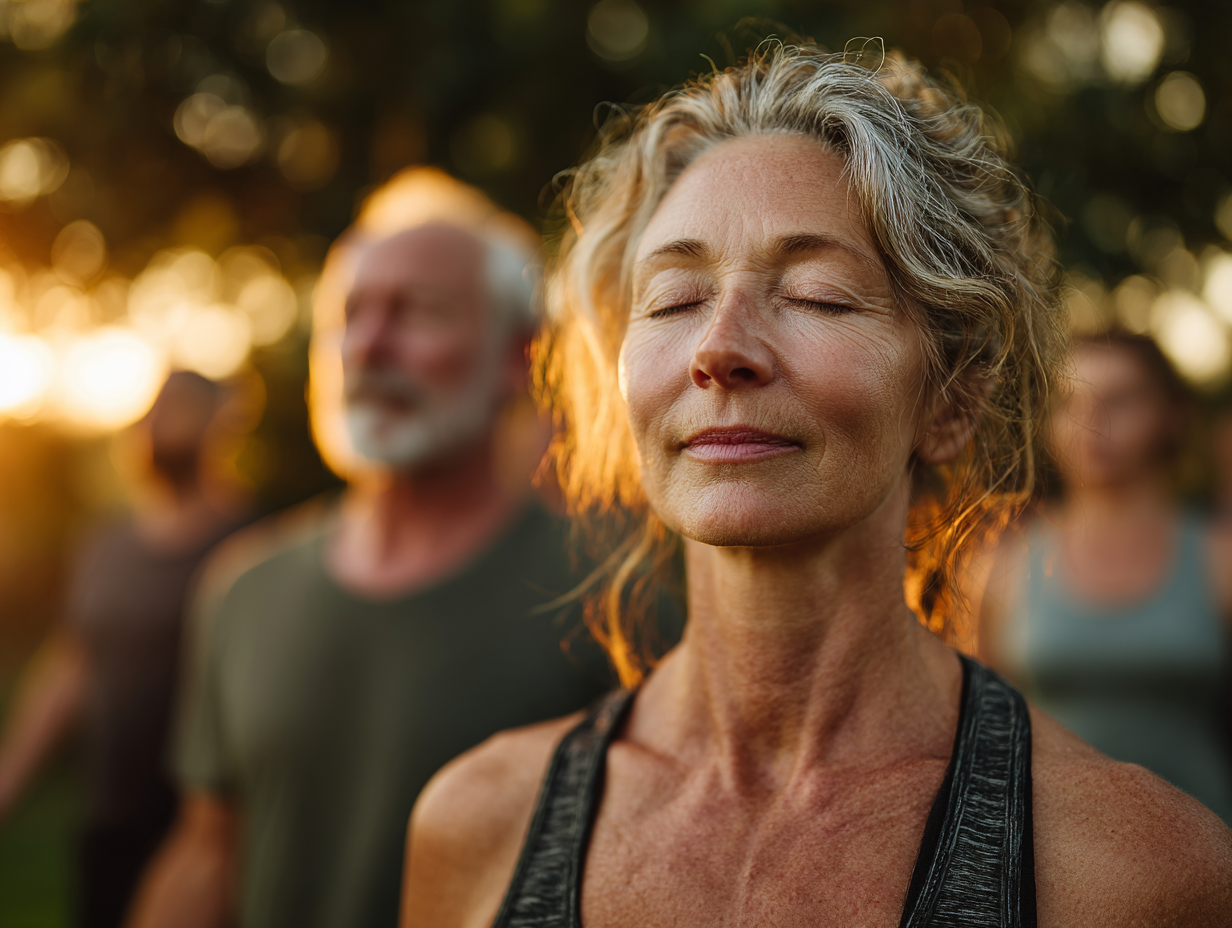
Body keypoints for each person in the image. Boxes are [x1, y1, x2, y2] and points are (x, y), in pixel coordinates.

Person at [401, 45, 1232, 928]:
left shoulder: (1134, 874)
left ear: (949, 403)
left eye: (819, 295)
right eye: (675, 298)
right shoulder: (479, 823)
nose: (718, 349)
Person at [127, 169, 625, 928]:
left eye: (415, 312)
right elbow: (207, 853)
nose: (367, 345)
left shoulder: (613, 592)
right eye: (349, 316)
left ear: (515, 360)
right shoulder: (242, 588)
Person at [0, 370, 252, 928]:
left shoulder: (252, 550)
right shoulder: (105, 547)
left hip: (207, 836)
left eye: (177, 407)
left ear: (221, 423)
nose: (155, 422)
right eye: (151, 410)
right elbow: (71, 667)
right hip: (108, 827)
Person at [973, 331, 1232, 824]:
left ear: (1171, 415)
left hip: (1208, 846)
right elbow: (983, 735)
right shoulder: (1003, 565)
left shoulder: (1220, 560)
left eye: (1121, 400)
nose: (1092, 422)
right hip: (1054, 853)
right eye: (1071, 401)